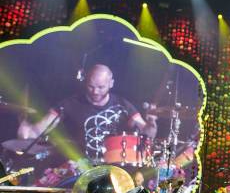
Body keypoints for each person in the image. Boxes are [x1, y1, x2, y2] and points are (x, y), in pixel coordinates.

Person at [17, 64, 157, 165]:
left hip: (114, 166)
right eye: (91, 86)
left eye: (101, 87)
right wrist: (28, 131)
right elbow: (40, 129)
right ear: (85, 83)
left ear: (111, 83)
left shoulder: (122, 104)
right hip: (79, 166)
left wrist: (152, 124)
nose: (95, 92)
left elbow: (148, 133)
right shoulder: (70, 104)